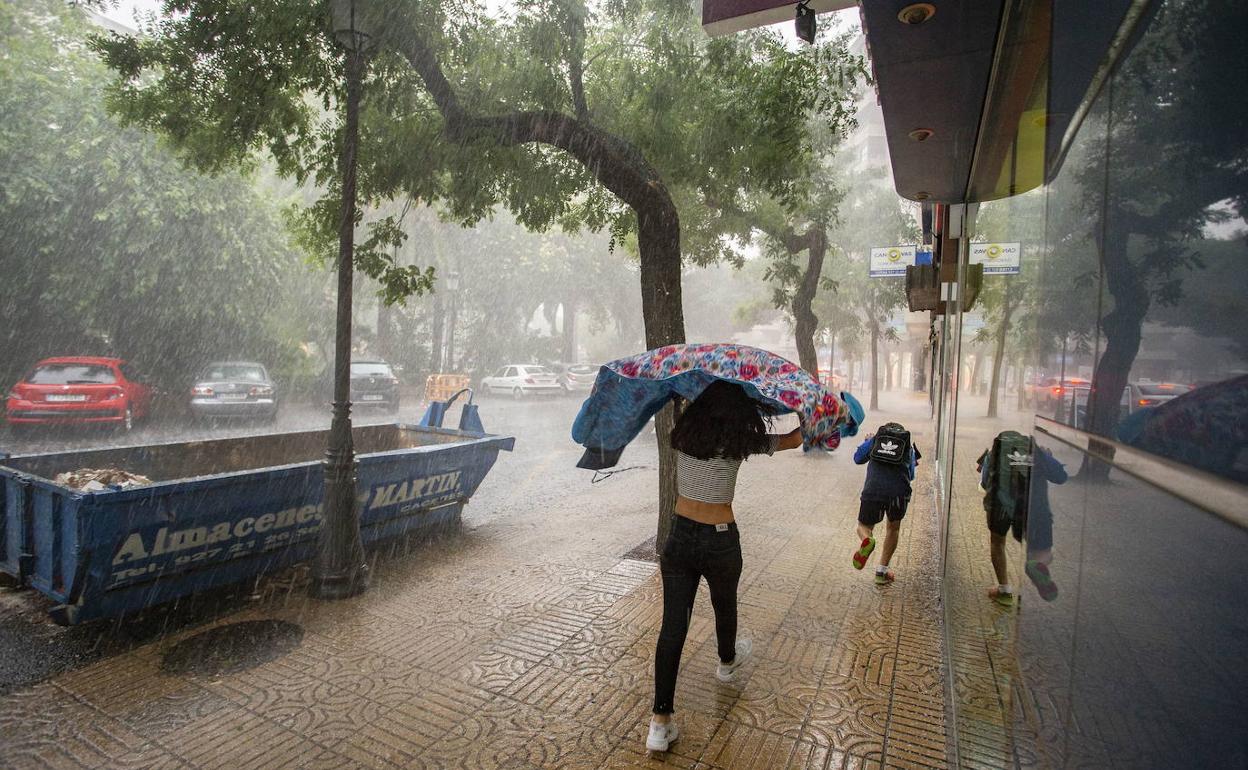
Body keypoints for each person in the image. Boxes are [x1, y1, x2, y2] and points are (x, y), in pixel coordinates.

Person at [646, 380, 803, 754]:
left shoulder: (682, 433)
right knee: (724, 604)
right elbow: (794, 440)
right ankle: (726, 663)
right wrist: (809, 410)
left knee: (673, 627)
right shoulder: (740, 440)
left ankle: (660, 722)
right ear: (738, 410)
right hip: (720, 539)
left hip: (680, 537)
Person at [976, 431, 1067, 607]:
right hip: (1033, 507)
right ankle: (1036, 564)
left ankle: (1004, 591)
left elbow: (985, 482)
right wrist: (1046, 456)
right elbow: (1061, 477)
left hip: (1001, 505)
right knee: (1043, 551)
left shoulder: (993, 453)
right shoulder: (1037, 452)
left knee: (997, 543)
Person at [851, 422, 921, 585]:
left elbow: (857, 458)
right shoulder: (908, 447)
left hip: (873, 490)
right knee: (893, 528)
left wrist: (867, 441)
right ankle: (881, 573)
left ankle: (867, 540)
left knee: (864, 526)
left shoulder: (875, 440)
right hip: (899, 493)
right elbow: (910, 475)